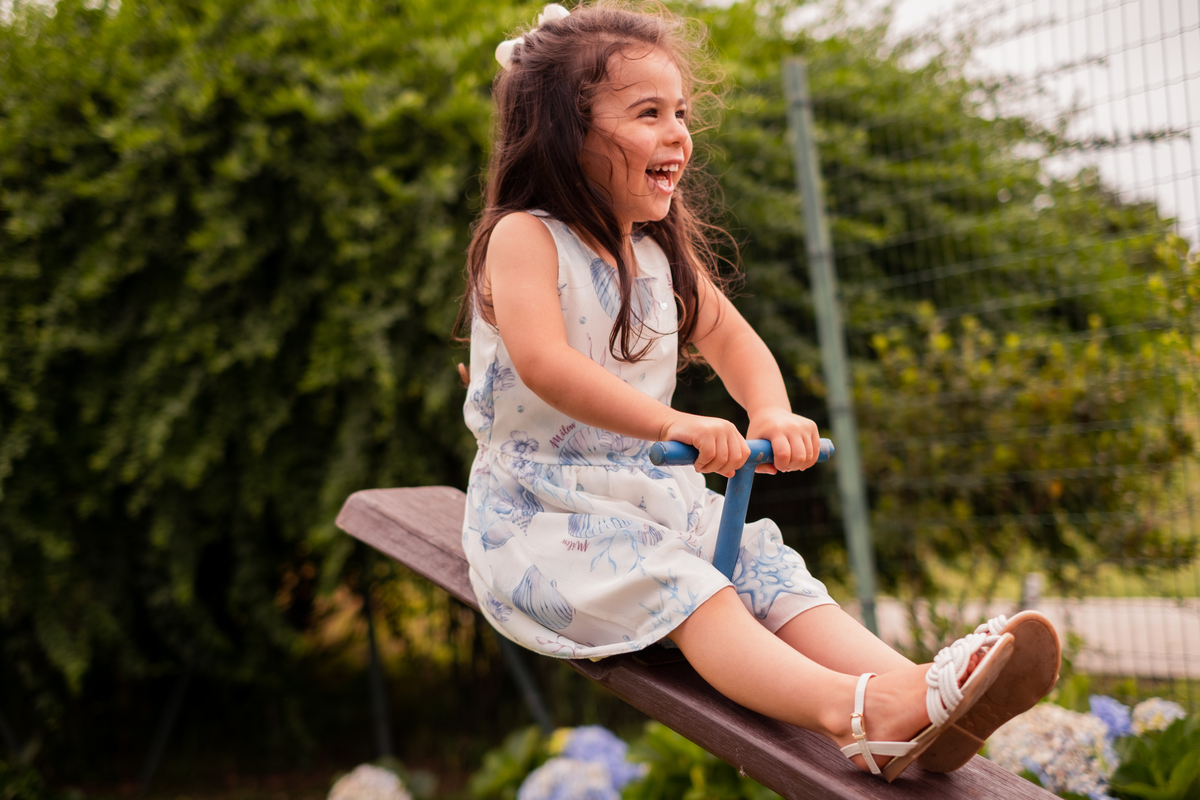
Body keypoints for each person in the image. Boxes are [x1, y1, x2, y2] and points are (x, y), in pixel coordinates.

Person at [455, 2, 1060, 782]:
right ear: (568, 134)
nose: (679, 134)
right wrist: (675, 421)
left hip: (646, 498)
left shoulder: (658, 255)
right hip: (541, 521)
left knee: (769, 569)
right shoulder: (524, 237)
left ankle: (923, 690)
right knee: (700, 588)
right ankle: (860, 713)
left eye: (681, 112)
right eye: (649, 114)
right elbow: (546, 364)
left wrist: (769, 408)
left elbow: (734, 341)